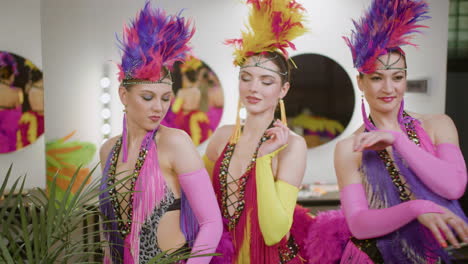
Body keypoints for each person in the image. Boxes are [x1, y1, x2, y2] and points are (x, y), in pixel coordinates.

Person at [204, 0, 348, 263]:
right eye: (246, 78)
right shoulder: (223, 136)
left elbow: (274, 233)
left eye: (266, 81)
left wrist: (262, 158)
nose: (253, 88)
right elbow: (198, 205)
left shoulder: (293, 146)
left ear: (283, 90)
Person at [335, 0, 468, 263]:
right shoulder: (349, 148)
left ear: (405, 78)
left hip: (434, 256)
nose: (388, 88)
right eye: (376, 77)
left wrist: (398, 140)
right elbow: (359, 224)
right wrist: (418, 208)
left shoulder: (438, 124)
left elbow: (454, 186)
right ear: (360, 82)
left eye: (397, 77)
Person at [98, 3, 222, 263]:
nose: (159, 107)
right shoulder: (108, 150)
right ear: (123, 94)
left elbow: (211, 223)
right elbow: (107, 229)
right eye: (147, 97)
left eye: (165, 98)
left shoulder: (174, 142)